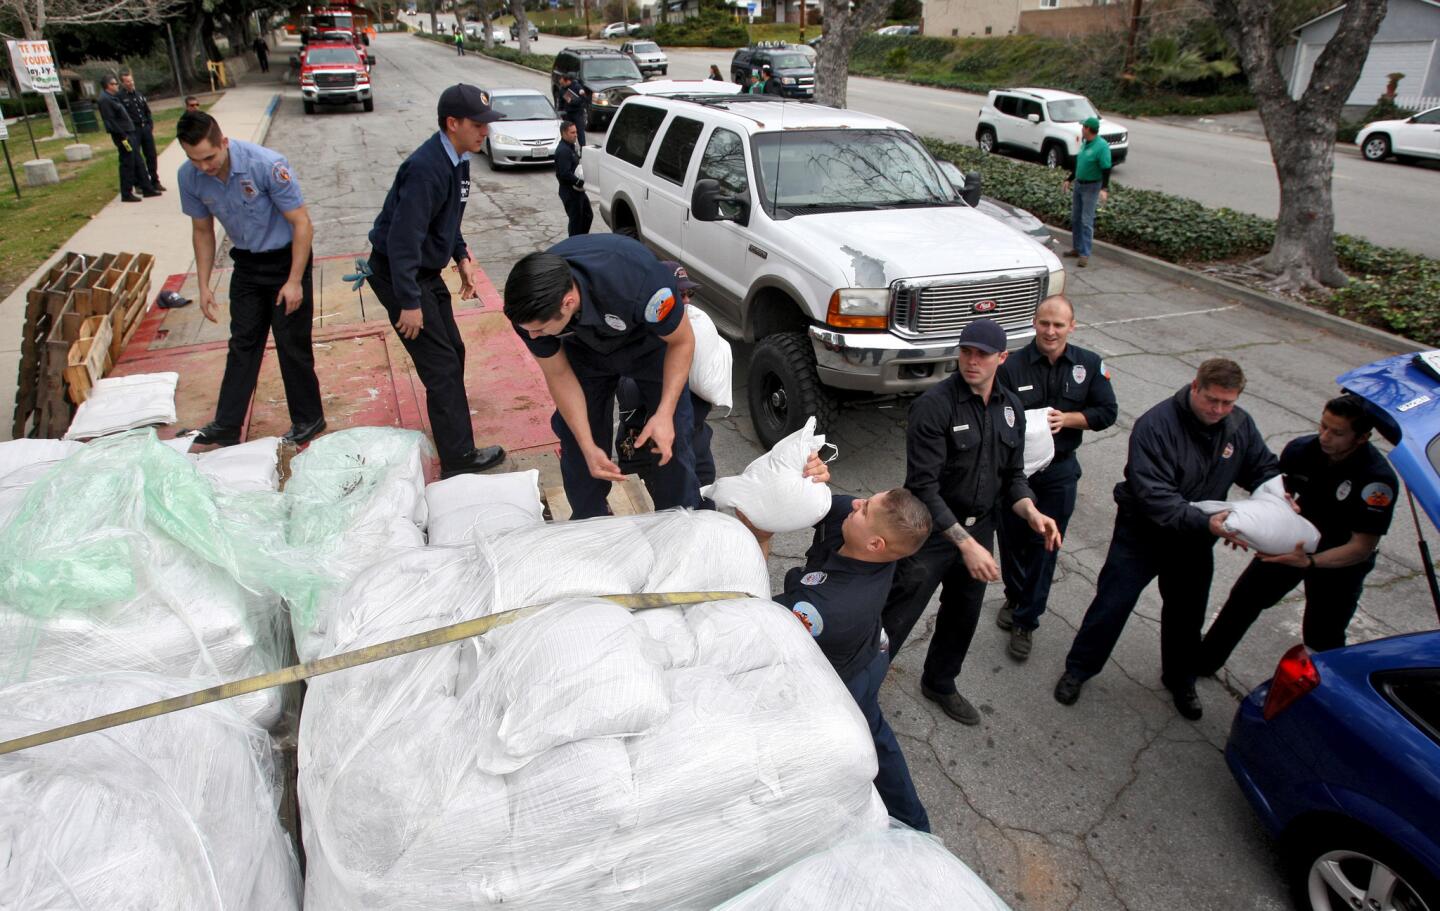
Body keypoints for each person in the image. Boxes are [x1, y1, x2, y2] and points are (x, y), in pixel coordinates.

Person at [1054, 358, 1280, 721]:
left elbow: (1262, 468)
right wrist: (1212, 524)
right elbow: (1156, 496)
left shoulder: (1238, 424)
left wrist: (1276, 503)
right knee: (1112, 605)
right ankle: (1079, 669)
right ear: (1195, 387)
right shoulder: (1155, 425)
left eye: (1228, 403)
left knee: (1187, 616)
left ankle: (1180, 679)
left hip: (1193, 541)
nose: (1219, 410)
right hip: (1143, 534)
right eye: (1212, 400)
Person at [881, 318, 1063, 726]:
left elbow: (1013, 477)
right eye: (966, 351)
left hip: (979, 528)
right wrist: (965, 544)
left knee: (963, 613)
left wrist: (1031, 511)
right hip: (928, 530)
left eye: (982, 354)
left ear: (1003, 357)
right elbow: (923, 488)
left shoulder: (1011, 409)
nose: (971, 360)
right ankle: (860, 685)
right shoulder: (935, 406)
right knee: (897, 613)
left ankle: (940, 682)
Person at [746, 485, 935, 832]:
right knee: (874, 734)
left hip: (846, 677)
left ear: (875, 544)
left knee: (867, 741)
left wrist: (758, 539)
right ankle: (913, 819)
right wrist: (808, 473)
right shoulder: (862, 536)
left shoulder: (829, 608)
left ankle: (914, 827)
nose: (857, 503)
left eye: (865, 510)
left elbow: (758, 617)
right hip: (867, 647)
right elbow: (813, 497)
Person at [364, 84, 506, 478]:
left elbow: (447, 220)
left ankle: (455, 443)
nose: (485, 132)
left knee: (453, 353)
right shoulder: (427, 168)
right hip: (400, 275)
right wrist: (408, 301)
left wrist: (461, 256)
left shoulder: (459, 160)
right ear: (452, 123)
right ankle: (458, 460)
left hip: (422, 273)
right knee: (441, 366)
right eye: (478, 125)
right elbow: (402, 239)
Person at [503, 235, 699, 520]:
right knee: (579, 444)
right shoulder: (531, 314)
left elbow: (682, 342)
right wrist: (587, 445)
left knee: (672, 438)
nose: (532, 337)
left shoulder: (643, 284)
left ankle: (681, 518)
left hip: (650, 347)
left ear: (568, 303)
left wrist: (665, 413)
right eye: (528, 330)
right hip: (584, 351)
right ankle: (591, 521)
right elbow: (558, 374)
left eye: (540, 329)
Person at [1197, 394, 1398, 669]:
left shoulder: (1377, 481)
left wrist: (1311, 562)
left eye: (1337, 432)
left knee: (1322, 636)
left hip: (1338, 562)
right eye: (1323, 426)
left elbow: (1361, 547)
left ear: (1362, 438)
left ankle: (1323, 696)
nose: (1325, 436)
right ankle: (1202, 663)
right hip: (1292, 543)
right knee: (1243, 600)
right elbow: (1275, 497)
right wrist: (1250, 528)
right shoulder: (1302, 450)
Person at [176, 111, 326, 447]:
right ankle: (227, 424)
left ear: (224, 143)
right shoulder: (189, 177)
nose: (204, 167)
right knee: (242, 343)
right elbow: (202, 231)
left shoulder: (266, 165)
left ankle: (308, 418)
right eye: (194, 159)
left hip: (286, 260)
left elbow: (302, 224)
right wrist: (203, 285)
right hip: (246, 264)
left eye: (209, 157)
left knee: (291, 344)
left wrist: (294, 281)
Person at [995, 295, 1117, 661]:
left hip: (1060, 470)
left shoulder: (1089, 364)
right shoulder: (1012, 366)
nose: (1050, 331)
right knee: (1012, 540)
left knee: (1045, 546)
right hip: (1017, 471)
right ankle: (1016, 596)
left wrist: (1069, 419)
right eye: (1045, 323)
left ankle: (1026, 621)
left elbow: (1107, 412)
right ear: (1035, 323)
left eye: (1058, 325)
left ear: (1071, 327)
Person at [614, 261, 716, 492]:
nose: (687, 300)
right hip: (642, 452)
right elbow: (628, 397)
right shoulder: (633, 339)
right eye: (680, 294)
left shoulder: (696, 334)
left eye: (689, 293)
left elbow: (704, 400)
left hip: (692, 449)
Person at [1061, 116, 1111, 269]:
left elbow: (1106, 168)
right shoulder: (1085, 143)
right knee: (1076, 218)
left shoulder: (1101, 147)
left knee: (1086, 221)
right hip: (1079, 184)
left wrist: (1104, 188)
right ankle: (1076, 248)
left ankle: (1085, 253)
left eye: (1083, 127)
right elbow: (1079, 164)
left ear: (1088, 129)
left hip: (1091, 187)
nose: (1081, 129)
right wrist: (1069, 179)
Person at [97, 75, 156, 203]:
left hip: (130, 133)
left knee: (138, 161)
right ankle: (126, 193)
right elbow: (110, 121)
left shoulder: (112, 98)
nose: (117, 85)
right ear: (109, 85)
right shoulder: (105, 100)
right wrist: (124, 136)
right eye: (115, 83)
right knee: (127, 164)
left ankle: (147, 189)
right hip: (123, 136)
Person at [118, 70, 164, 193]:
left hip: (145, 128)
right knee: (136, 157)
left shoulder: (138, 94)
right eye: (127, 81)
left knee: (151, 155)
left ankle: (155, 180)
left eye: (131, 80)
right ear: (122, 83)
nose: (130, 83)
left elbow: (146, 110)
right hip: (133, 130)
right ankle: (138, 184)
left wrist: (150, 124)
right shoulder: (120, 97)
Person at [554, 120, 592, 237]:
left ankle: (582, 239)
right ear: (564, 134)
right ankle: (574, 244)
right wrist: (578, 181)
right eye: (572, 133)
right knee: (576, 222)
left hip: (577, 191)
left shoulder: (571, 147)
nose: (576, 135)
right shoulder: (563, 151)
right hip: (570, 192)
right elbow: (564, 173)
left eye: (576, 132)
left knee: (587, 215)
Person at [556, 74, 589, 147]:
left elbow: (584, 99)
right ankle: (570, 148)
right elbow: (560, 103)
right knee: (567, 133)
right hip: (568, 114)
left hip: (578, 113)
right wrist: (559, 113)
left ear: (567, 81)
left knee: (580, 132)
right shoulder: (562, 90)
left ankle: (583, 149)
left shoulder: (577, 87)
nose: (561, 85)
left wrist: (572, 101)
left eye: (562, 83)